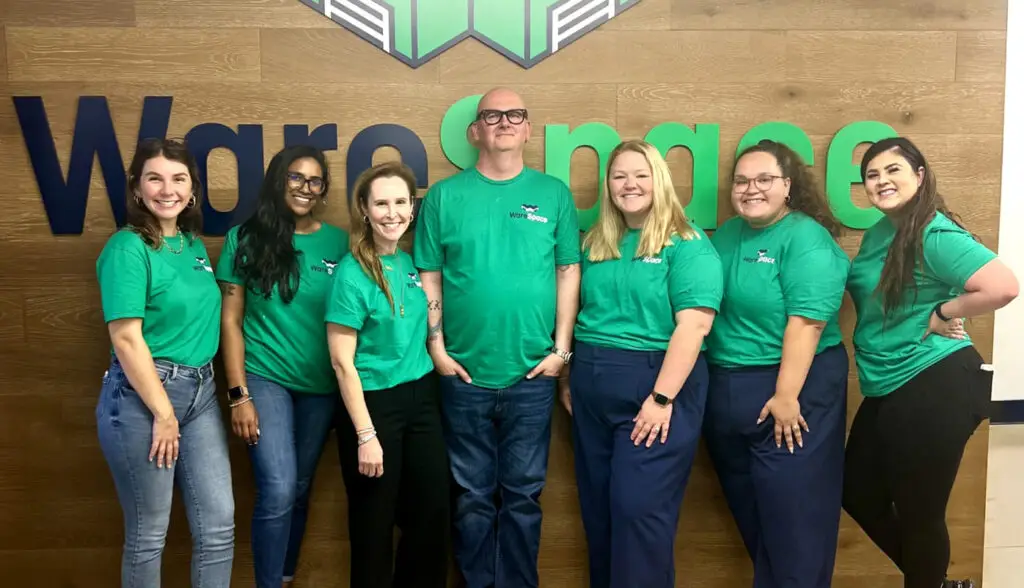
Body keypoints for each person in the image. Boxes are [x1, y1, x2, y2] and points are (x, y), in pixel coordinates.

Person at [413, 87, 582, 588]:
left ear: (529, 128)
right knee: (470, 498)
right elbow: (429, 276)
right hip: (462, 373)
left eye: (515, 115)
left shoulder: (553, 193)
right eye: (492, 115)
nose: (504, 122)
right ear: (475, 131)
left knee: (524, 498)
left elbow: (568, 271)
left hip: (533, 374)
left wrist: (561, 352)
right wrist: (437, 347)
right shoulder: (445, 196)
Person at [843, 137, 1018, 588]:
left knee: (921, 514)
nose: (882, 180)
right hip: (889, 385)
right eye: (872, 174)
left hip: (933, 381)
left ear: (919, 176)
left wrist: (943, 313)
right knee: (857, 492)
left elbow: (1002, 285)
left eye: (893, 170)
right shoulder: (885, 230)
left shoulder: (932, 232)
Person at [562, 139, 722, 588]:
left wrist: (661, 396)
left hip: (657, 388)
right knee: (601, 511)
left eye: (640, 174)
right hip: (593, 385)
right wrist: (572, 375)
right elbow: (582, 315)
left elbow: (693, 328)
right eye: (619, 176)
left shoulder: (688, 243)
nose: (629, 185)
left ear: (659, 179)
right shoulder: (598, 241)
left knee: (638, 511)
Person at [702, 139, 850, 588]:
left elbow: (806, 324)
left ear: (788, 185)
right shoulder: (728, 235)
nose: (751, 189)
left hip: (792, 391)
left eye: (764, 179)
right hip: (728, 390)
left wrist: (786, 396)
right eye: (742, 181)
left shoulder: (806, 239)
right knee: (758, 522)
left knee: (796, 526)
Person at [95, 137, 234, 587]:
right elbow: (125, 336)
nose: (167, 189)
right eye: (155, 178)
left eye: (179, 179)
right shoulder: (127, 247)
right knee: (149, 534)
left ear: (193, 189)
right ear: (137, 189)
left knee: (218, 527)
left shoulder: (191, 245)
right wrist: (163, 411)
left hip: (201, 394)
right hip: (144, 399)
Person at [214, 145, 347, 588]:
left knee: (300, 486)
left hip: (321, 386)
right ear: (277, 180)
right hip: (264, 378)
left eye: (314, 181)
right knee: (278, 488)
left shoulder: (340, 244)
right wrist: (239, 395)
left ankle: (286, 575)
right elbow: (230, 321)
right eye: (295, 178)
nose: (305, 188)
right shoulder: (245, 238)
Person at [326, 161, 450, 588]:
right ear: (364, 209)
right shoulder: (350, 273)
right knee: (373, 524)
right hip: (373, 405)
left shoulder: (410, 263)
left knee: (433, 513)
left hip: (421, 397)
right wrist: (365, 435)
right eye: (381, 203)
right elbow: (343, 363)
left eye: (400, 201)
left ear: (412, 208)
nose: (392, 212)